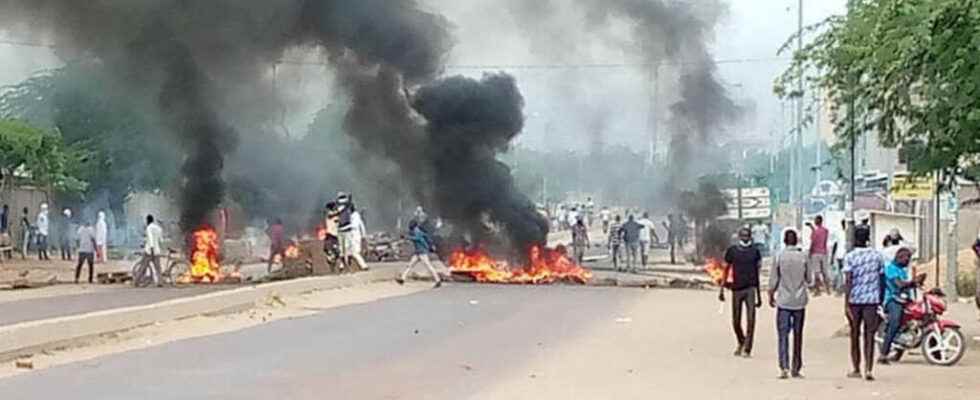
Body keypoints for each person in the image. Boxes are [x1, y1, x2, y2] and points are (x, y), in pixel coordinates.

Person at [842, 225, 885, 381]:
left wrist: (846, 303)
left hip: (855, 300)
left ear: (854, 239)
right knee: (870, 335)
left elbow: (848, 280)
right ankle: (868, 369)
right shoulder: (877, 256)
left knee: (855, 334)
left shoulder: (850, 257)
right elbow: (882, 279)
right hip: (872, 301)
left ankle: (856, 368)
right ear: (868, 239)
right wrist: (880, 299)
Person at [768, 229, 810, 379]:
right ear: (796, 240)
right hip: (799, 301)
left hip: (784, 301)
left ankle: (784, 367)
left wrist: (770, 294)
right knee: (798, 335)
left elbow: (773, 279)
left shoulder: (779, 256)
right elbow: (809, 278)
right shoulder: (803, 256)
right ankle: (796, 368)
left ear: (785, 241)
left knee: (783, 335)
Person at [720, 227, 763, 358]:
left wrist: (759, 295)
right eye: (743, 236)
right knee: (736, 321)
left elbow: (758, 273)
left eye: (747, 236)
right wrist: (722, 288)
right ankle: (741, 341)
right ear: (739, 237)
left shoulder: (755, 251)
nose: (745, 238)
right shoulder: (732, 251)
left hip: (750, 289)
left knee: (751, 320)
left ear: (750, 237)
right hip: (736, 288)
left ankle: (747, 348)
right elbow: (726, 269)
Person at [879, 247, 925, 364]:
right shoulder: (890, 268)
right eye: (906, 258)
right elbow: (899, 284)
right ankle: (883, 354)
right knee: (895, 323)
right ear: (899, 257)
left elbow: (908, 285)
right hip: (892, 300)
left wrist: (917, 282)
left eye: (909, 258)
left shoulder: (902, 270)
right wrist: (912, 282)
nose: (908, 261)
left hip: (904, 299)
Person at [397, 220, 442, 288]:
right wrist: (405, 236)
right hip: (417, 253)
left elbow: (417, 238)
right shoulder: (414, 231)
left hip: (422, 253)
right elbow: (411, 236)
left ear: (414, 226)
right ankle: (402, 279)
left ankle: (438, 280)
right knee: (409, 265)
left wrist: (406, 237)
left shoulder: (418, 232)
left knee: (429, 267)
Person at [337, 193, 368, 271]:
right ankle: (345, 266)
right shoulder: (351, 215)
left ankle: (363, 266)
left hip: (355, 235)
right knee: (347, 251)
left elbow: (355, 226)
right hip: (352, 234)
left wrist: (343, 227)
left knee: (353, 252)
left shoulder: (355, 216)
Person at [808, 215, 831, 296]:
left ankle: (817, 291)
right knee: (825, 272)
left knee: (816, 272)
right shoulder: (825, 231)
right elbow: (824, 241)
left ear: (816, 221)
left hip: (815, 253)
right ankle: (828, 289)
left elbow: (813, 242)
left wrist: (810, 253)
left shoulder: (815, 232)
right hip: (823, 252)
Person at [142, 215, 164, 287]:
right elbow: (161, 240)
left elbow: (150, 239)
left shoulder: (149, 228)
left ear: (148, 220)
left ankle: (136, 282)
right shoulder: (158, 228)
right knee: (158, 268)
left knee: (143, 266)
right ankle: (160, 282)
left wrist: (151, 248)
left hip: (149, 251)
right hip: (157, 251)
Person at [74, 219, 98, 284]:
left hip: (81, 250)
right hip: (89, 250)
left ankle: (76, 278)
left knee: (79, 265)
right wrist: (97, 250)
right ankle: (90, 279)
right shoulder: (91, 230)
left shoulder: (80, 229)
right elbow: (93, 240)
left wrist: (78, 247)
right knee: (90, 265)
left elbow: (77, 240)